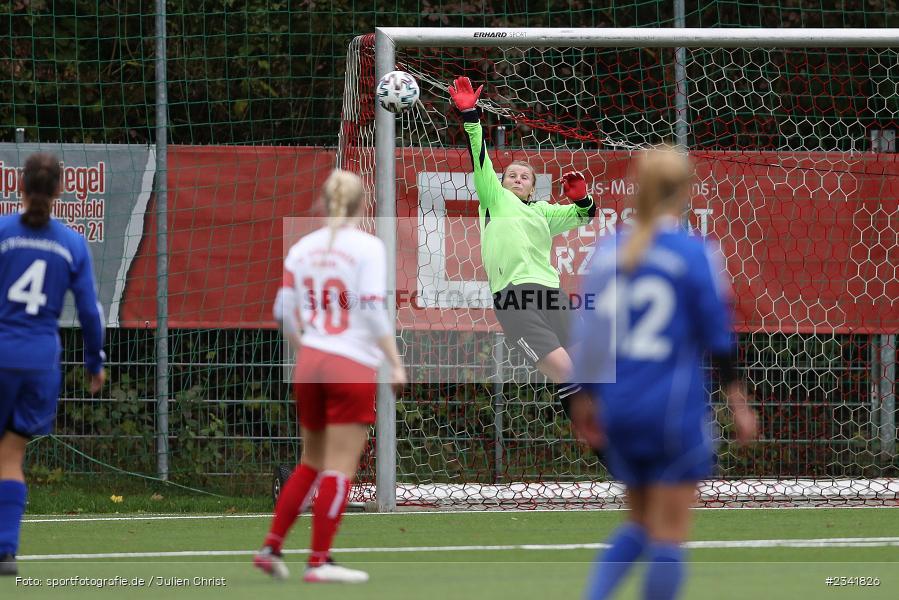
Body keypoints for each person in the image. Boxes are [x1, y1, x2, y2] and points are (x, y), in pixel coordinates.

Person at [568, 145, 758, 600]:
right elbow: (718, 337)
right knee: (670, 532)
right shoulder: (694, 254)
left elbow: (590, 335)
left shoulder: (609, 252)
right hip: (672, 408)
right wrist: (739, 404)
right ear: (686, 190)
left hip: (621, 406)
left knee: (637, 524)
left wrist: (584, 401)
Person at [254, 169, 406, 584]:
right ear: (362, 204)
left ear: (323, 201)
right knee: (340, 466)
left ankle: (271, 545)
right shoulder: (368, 247)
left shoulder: (302, 248)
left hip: (311, 362)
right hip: (349, 363)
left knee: (311, 462)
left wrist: (307, 349)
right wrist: (394, 362)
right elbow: (372, 310)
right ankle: (318, 561)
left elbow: (284, 313)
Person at [448, 76, 597, 414]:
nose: (516, 178)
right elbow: (480, 158)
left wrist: (583, 198)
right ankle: (601, 440)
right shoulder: (495, 200)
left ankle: (619, 436)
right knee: (565, 370)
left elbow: (584, 215)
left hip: (551, 293)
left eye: (524, 176)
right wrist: (471, 116)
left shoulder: (543, 211)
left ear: (533, 188)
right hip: (514, 295)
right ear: (499, 184)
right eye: (510, 175)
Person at [0, 153, 106, 576]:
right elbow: (90, 312)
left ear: (20, 187)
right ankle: (6, 552)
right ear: (60, 192)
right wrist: (94, 360)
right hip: (40, 361)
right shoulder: (71, 243)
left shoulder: (3, 232)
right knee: (11, 455)